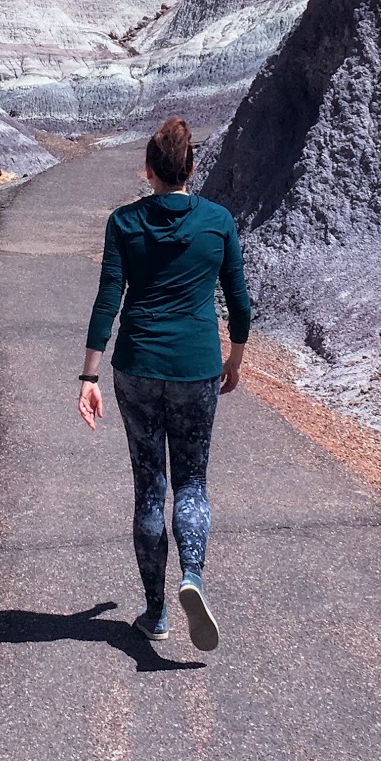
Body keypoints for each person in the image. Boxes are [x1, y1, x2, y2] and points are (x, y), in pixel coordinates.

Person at [78, 117, 252, 651]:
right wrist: (234, 359)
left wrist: (88, 375)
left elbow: (108, 300)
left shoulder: (123, 223)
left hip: (136, 367)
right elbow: (239, 302)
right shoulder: (218, 221)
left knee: (150, 485)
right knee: (191, 482)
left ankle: (155, 613)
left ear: (148, 170)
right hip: (196, 367)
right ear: (191, 169)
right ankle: (192, 576)